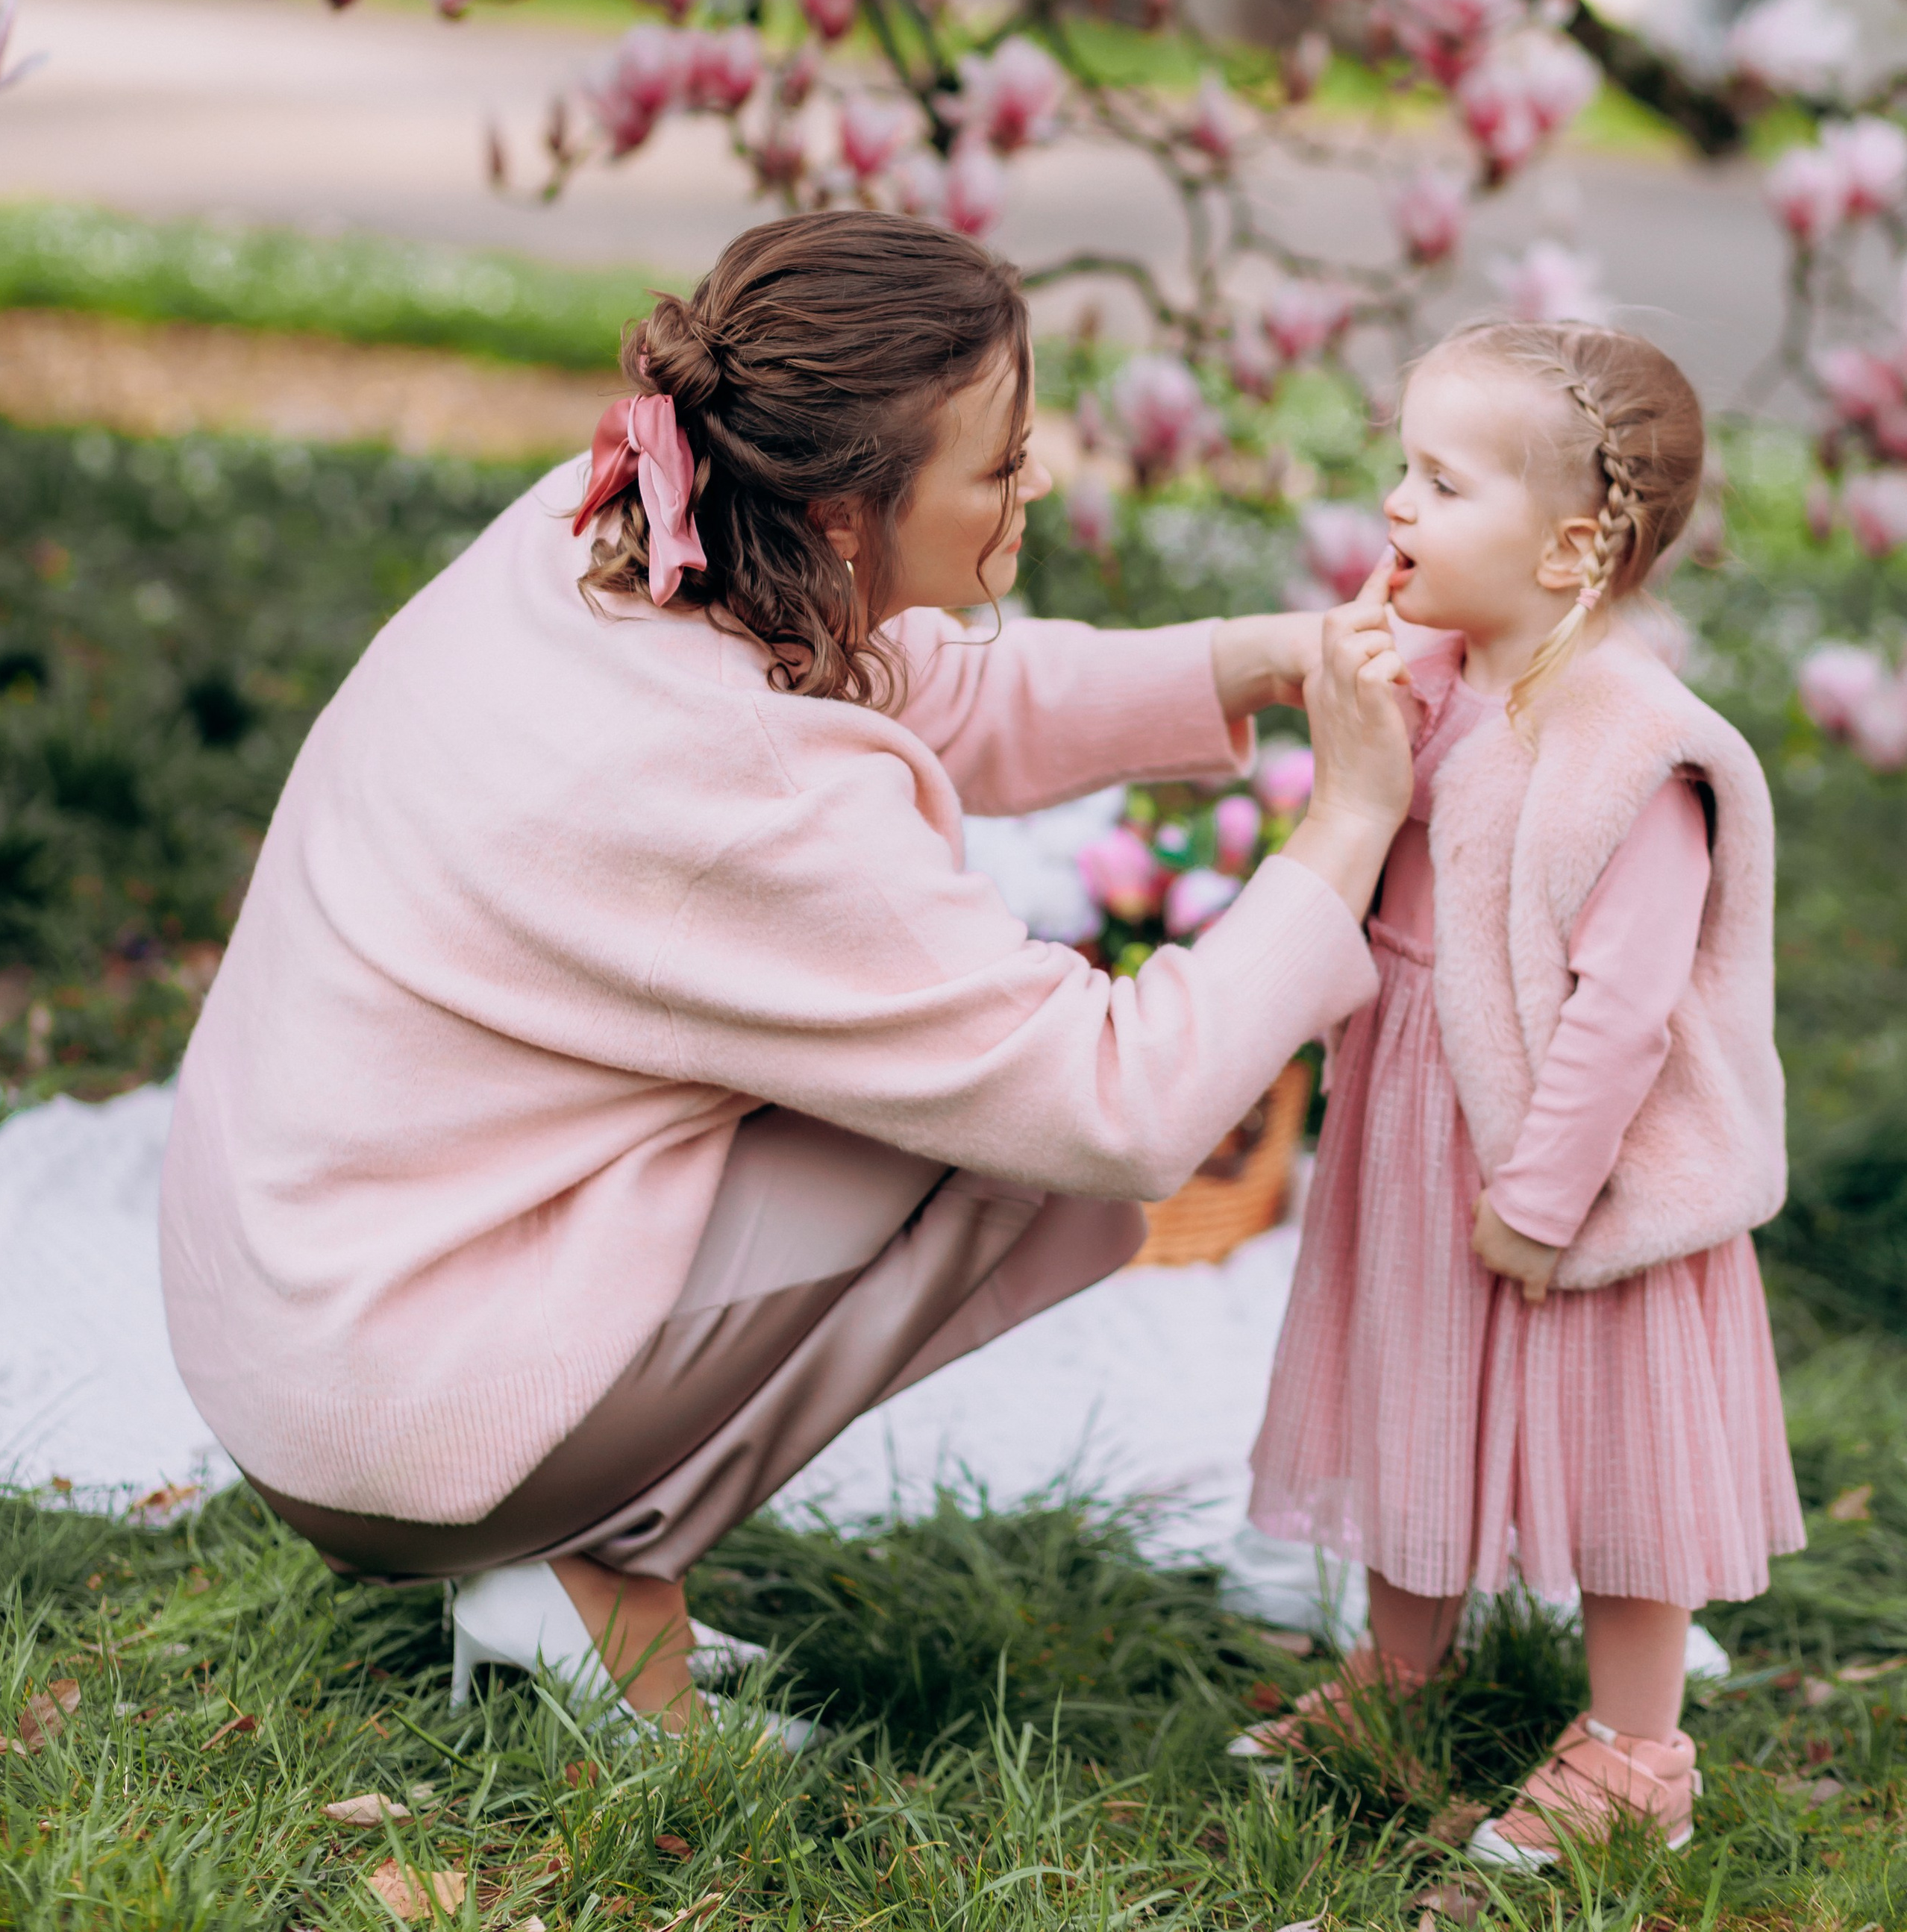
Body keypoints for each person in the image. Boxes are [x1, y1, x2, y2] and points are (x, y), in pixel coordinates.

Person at [160, 208, 1413, 1742]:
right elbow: (1118, 1105)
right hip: (386, 1412)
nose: (1032, 487)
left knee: (981, 1117)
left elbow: (915, 683)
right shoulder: (744, 784)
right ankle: (591, 1575)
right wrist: (1348, 819)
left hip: (301, 1291)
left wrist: (1270, 657)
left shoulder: (633, 514)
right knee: (1000, 1152)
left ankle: (569, 1558)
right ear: (837, 515)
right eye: (1001, 465)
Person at [1235, 320, 1803, 1867]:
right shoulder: (1433, 680)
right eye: (1398, 469)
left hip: (1569, 1152)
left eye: (1439, 480)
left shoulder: (1624, 743)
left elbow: (1621, 1009)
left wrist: (1546, 1193)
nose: (1394, 506)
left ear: (1567, 548)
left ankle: (1634, 1748)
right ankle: (1399, 1675)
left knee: (1615, 1440)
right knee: (1409, 1389)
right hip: (1422, 1111)